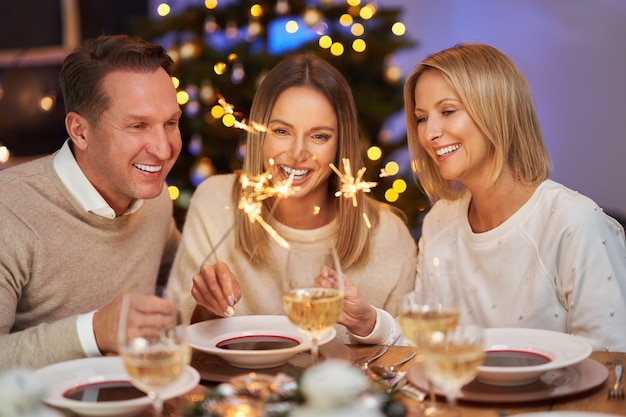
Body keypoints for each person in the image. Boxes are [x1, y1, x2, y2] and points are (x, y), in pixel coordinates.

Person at [166, 53, 417, 344]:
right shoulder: (215, 201)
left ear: (340, 145)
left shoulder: (389, 235)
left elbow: (408, 358)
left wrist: (369, 326)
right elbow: (172, 335)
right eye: (282, 131)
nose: (298, 153)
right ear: (259, 133)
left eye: (319, 136)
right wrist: (205, 308)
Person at [400, 42, 626, 351]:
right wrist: (368, 323)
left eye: (448, 111)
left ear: (497, 110)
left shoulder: (576, 224)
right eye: (422, 117)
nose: (429, 134)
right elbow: (418, 339)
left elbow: (612, 366)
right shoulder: (439, 221)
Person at [0, 34, 183, 369]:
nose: (163, 149)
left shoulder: (154, 198)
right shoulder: (7, 212)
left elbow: (177, 280)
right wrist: (95, 331)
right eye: (138, 125)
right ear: (80, 131)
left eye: (171, 123)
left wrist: (206, 287)